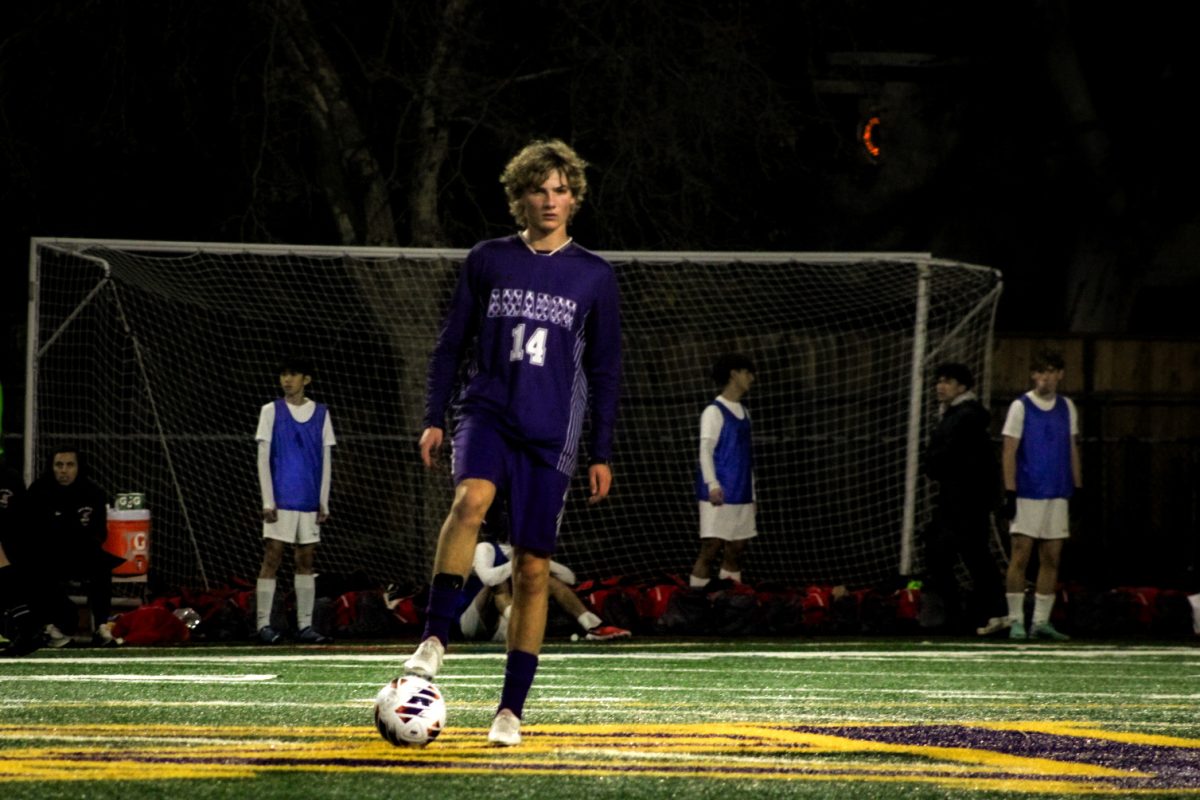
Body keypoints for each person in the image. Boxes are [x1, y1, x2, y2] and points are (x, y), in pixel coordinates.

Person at [402, 138, 621, 747]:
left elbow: (605, 370)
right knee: (469, 500)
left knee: (530, 569)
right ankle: (434, 638)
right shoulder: (488, 258)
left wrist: (600, 450)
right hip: (487, 410)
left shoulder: (594, 275)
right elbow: (451, 343)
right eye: (538, 189)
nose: (550, 200)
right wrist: (433, 415)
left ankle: (510, 711)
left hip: (551, 431)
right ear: (519, 197)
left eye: (560, 190)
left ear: (573, 199)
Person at [919, 362, 1007, 634]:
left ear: (962, 387)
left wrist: (933, 462)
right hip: (962, 498)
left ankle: (975, 613)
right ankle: (977, 612)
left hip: (964, 500)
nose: (940, 386)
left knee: (962, 555)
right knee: (962, 555)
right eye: (939, 381)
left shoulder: (963, 417)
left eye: (947, 381)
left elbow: (946, 457)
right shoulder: (957, 415)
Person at [999, 350, 1081, 641]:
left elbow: (1071, 447)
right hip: (1029, 491)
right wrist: (1010, 490)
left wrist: (1077, 486)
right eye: (1040, 372)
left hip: (1057, 491)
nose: (1045, 378)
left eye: (1051, 372)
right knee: (1021, 554)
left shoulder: (1066, 407)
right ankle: (1016, 619)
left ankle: (1041, 622)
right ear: (1033, 375)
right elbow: (1009, 450)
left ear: (1060, 374)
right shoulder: (1021, 407)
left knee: (1052, 556)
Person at [255, 357, 336, 644]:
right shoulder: (270, 411)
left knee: (305, 560)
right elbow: (263, 458)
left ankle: (305, 626)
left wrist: (323, 501)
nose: (287, 380)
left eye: (293, 374)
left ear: (307, 379)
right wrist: (268, 500)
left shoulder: (321, 413)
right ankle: (263, 624)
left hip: (309, 501)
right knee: (273, 557)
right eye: (283, 375)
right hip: (281, 499)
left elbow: (326, 459)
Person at [25, 446, 122, 645]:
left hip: (81, 553)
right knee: (34, 568)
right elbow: (30, 531)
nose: (64, 470)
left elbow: (99, 532)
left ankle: (101, 626)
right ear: (51, 467)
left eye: (69, 465)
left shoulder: (93, 493)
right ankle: (51, 626)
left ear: (78, 467)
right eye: (59, 465)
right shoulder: (39, 491)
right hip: (48, 554)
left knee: (102, 567)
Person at [459, 535, 631, 643]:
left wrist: (540, 563)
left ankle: (593, 625)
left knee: (545, 579)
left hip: (503, 628)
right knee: (498, 583)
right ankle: (520, 624)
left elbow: (569, 578)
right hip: (474, 622)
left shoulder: (527, 551)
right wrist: (519, 562)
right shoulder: (486, 548)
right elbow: (489, 579)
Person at [690, 354, 757, 589]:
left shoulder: (745, 414)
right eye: (747, 372)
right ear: (733, 374)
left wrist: (753, 495)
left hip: (742, 493)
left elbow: (746, 458)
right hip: (719, 492)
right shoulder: (713, 411)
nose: (751, 377)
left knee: (737, 548)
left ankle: (730, 601)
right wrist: (712, 485)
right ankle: (694, 603)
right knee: (711, 547)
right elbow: (705, 450)